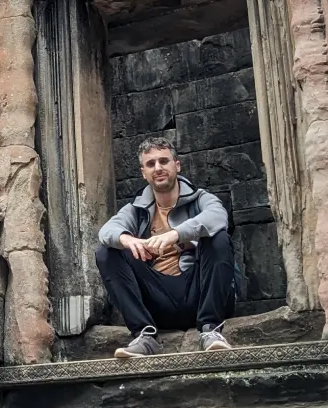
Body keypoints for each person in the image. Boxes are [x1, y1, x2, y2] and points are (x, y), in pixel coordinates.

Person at [96, 137, 238, 359]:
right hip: (159, 299)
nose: (158, 168)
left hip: (200, 292)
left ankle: (211, 330)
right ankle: (144, 335)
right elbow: (106, 231)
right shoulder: (136, 210)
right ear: (143, 172)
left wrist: (175, 234)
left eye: (164, 161)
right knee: (106, 251)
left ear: (177, 165)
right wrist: (128, 240)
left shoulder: (201, 198)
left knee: (217, 238)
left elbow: (218, 217)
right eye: (151, 164)